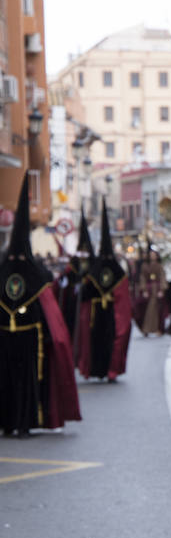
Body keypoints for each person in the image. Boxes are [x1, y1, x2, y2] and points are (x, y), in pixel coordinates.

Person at [0, 178, 80, 436]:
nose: (16, 261)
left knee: (25, 385)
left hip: (30, 344)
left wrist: (46, 337)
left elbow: (49, 316)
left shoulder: (38, 277)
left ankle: (24, 421)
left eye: (19, 257)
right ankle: (6, 422)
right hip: (3, 341)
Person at [76, 199, 131, 382]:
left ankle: (103, 370)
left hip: (100, 314)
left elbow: (86, 293)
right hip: (105, 314)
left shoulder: (96, 270)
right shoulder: (116, 270)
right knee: (101, 343)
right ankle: (106, 370)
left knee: (100, 343)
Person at [54, 207, 93, 338]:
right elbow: (67, 277)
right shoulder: (74, 262)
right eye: (81, 249)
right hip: (74, 302)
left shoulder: (94, 262)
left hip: (90, 303)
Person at [135, 248, 168, 336]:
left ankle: (158, 328)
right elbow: (142, 278)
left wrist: (162, 289)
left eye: (154, 255)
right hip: (148, 289)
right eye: (151, 255)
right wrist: (144, 290)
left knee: (158, 310)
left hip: (157, 289)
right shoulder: (145, 265)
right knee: (145, 309)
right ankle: (146, 328)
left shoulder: (159, 266)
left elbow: (162, 277)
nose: (153, 256)